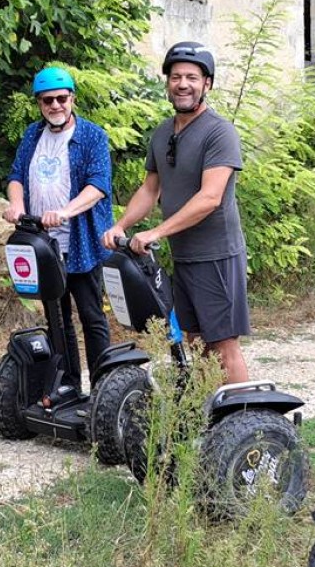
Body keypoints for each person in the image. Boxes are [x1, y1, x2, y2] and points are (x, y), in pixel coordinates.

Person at [102, 41, 251, 384]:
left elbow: (210, 197)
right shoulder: (163, 133)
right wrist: (121, 224)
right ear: (167, 82)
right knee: (195, 343)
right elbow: (150, 190)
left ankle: (244, 425)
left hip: (217, 256)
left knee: (223, 347)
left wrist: (156, 232)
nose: (183, 84)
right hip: (183, 258)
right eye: (176, 76)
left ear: (207, 84)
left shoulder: (219, 132)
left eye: (192, 77)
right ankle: (206, 420)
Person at [3, 66, 114, 392]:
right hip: (44, 245)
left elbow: (98, 186)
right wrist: (17, 204)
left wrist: (64, 212)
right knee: (58, 318)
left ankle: (103, 387)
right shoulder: (32, 135)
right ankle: (67, 386)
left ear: (72, 99)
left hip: (80, 242)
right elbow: (16, 177)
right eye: (47, 100)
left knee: (91, 317)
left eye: (61, 98)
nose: (55, 106)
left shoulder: (93, 136)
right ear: (39, 103)